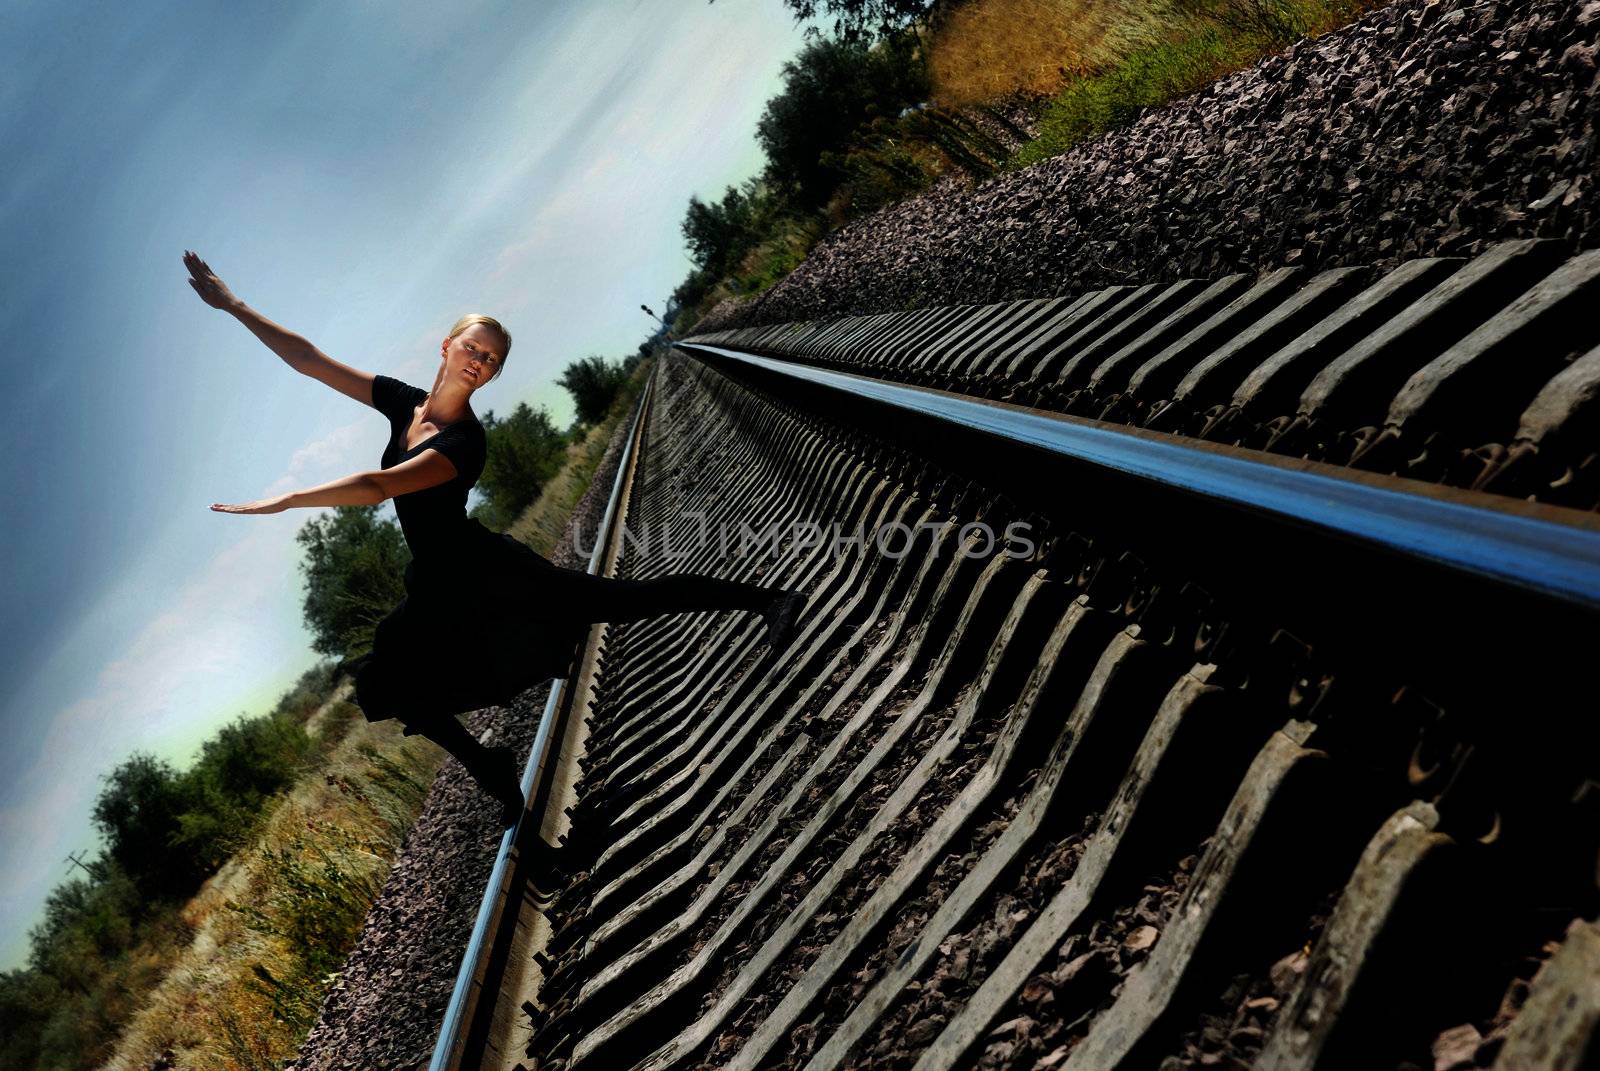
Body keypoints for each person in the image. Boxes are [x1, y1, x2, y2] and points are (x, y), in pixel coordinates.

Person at [184, 251, 805, 826]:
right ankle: (492, 769)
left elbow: (379, 487)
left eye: (492, 361)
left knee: (618, 600)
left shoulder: (465, 442)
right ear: (448, 345)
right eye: (474, 349)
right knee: (389, 684)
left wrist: (289, 498)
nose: (480, 363)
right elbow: (309, 359)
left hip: (484, 571)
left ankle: (768, 601)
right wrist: (234, 306)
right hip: (433, 583)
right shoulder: (404, 405)